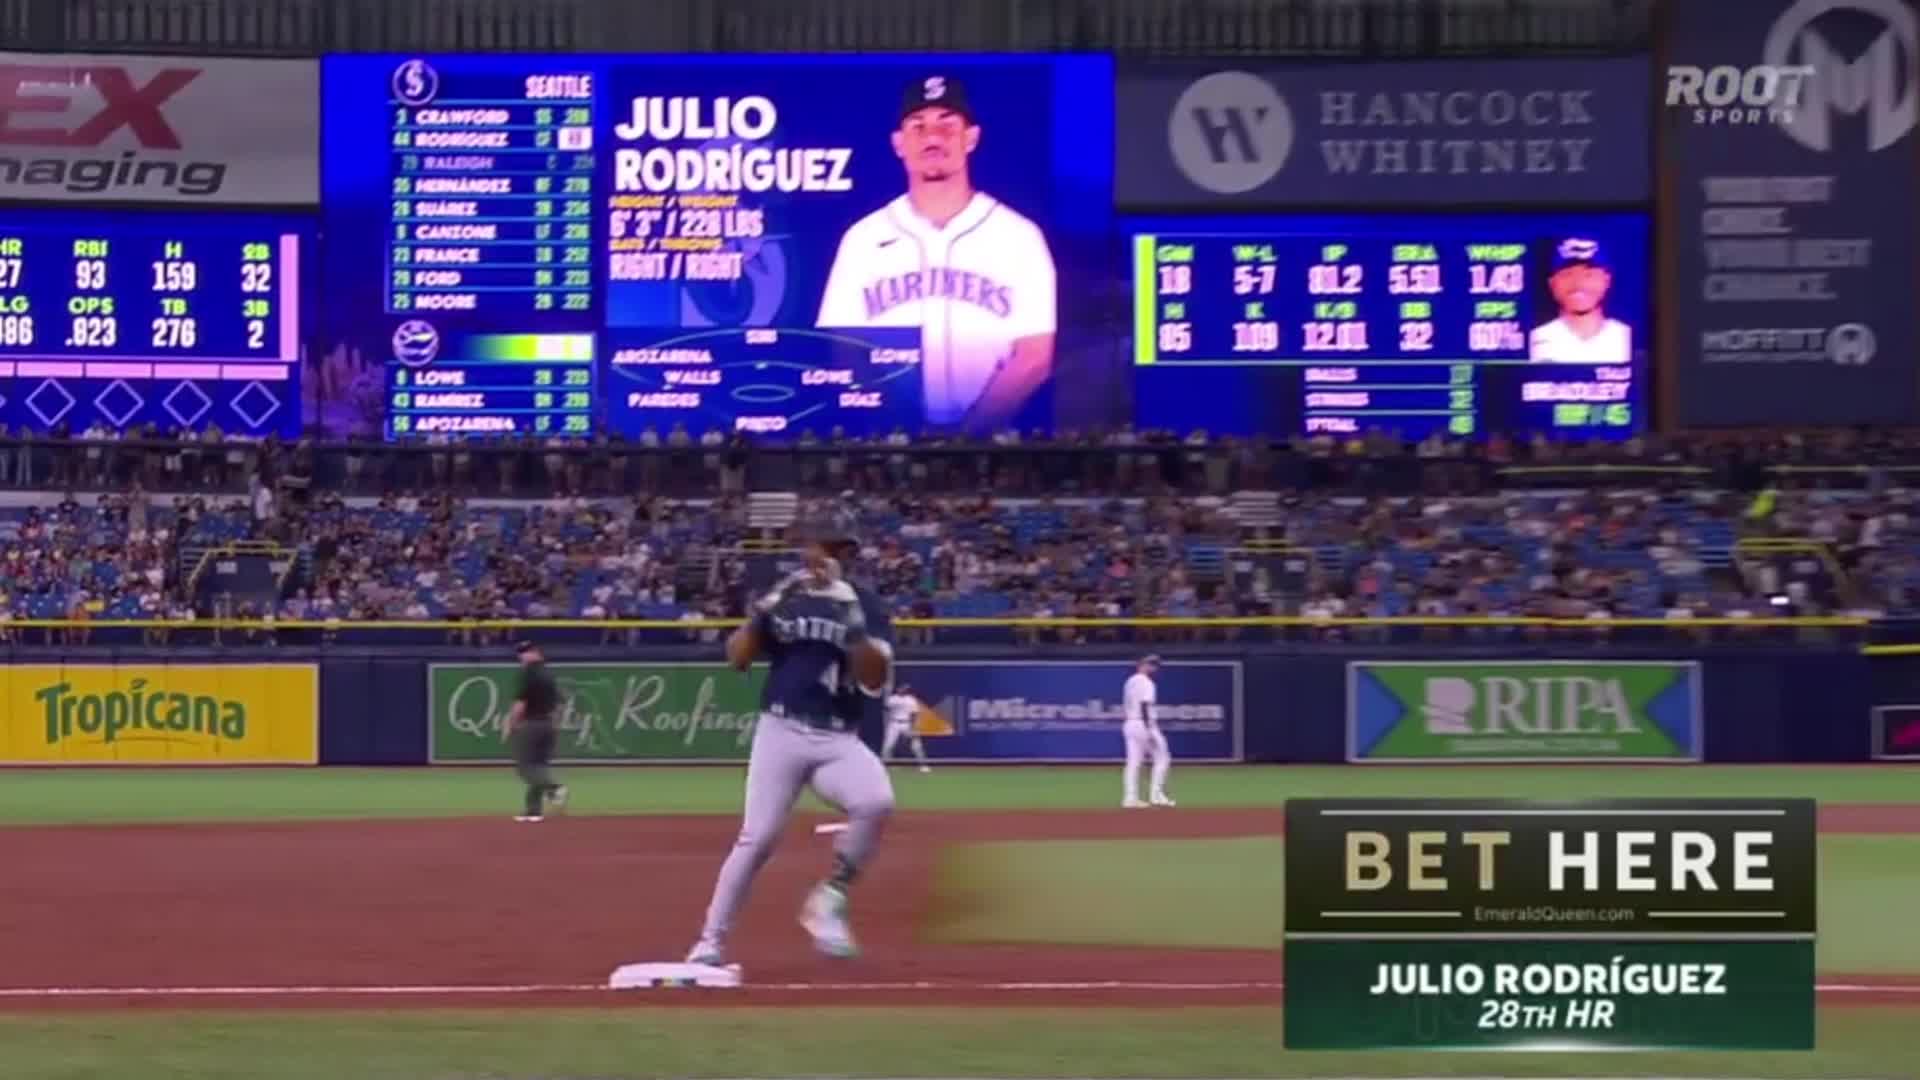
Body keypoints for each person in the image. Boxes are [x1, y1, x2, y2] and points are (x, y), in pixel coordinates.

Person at [686, 514, 895, 967]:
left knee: (876, 800)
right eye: (820, 547)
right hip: (780, 730)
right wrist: (762, 611)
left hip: (837, 737)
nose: (825, 556)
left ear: (849, 556)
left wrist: (852, 616)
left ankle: (830, 898)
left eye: (837, 548)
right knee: (757, 838)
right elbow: (737, 659)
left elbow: (874, 680)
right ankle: (709, 941)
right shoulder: (788, 599)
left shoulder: (867, 605)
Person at [815, 75, 1057, 433]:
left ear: (971, 137)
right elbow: (843, 348)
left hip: (997, 444)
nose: (932, 138)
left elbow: (1035, 356)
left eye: (947, 125)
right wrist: (899, 428)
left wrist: (970, 436)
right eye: (918, 126)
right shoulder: (863, 239)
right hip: (887, 444)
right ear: (898, 143)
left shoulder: (1019, 236)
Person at [1529, 237, 1631, 364]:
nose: (1578, 283)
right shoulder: (1532, 343)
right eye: (1567, 274)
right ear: (1552, 283)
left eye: (1589, 274)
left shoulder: (1628, 339)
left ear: (1606, 280)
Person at [504, 640, 567, 822]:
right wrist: (555, 724)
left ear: (536, 653)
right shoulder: (549, 674)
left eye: (525, 652)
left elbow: (520, 703)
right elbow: (560, 703)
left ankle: (554, 788)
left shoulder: (528, 673)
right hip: (548, 723)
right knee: (539, 767)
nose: (522, 656)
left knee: (525, 768)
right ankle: (533, 811)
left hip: (532, 724)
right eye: (521, 652)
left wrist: (511, 723)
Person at [1121, 654, 1174, 808]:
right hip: (1143, 723)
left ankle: (1130, 798)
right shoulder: (1147, 683)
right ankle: (1156, 796)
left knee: (1133, 763)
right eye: (1152, 664)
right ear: (1144, 665)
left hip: (1130, 723)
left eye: (1154, 665)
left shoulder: (1129, 681)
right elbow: (1145, 704)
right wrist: (1148, 728)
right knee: (1162, 757)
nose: (1154, 668)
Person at [882, 682, 932, 773]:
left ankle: (923, 765)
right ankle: (886, 766)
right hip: (894, 723)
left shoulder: (911, 700)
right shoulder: (892, 699)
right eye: (901, 688)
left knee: (916, 745)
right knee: (888, 745)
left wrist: (913, 728)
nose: (903, 689)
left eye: (905, 688)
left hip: (907, 724)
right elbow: (886, 710)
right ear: (898, 688)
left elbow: (914, 715)